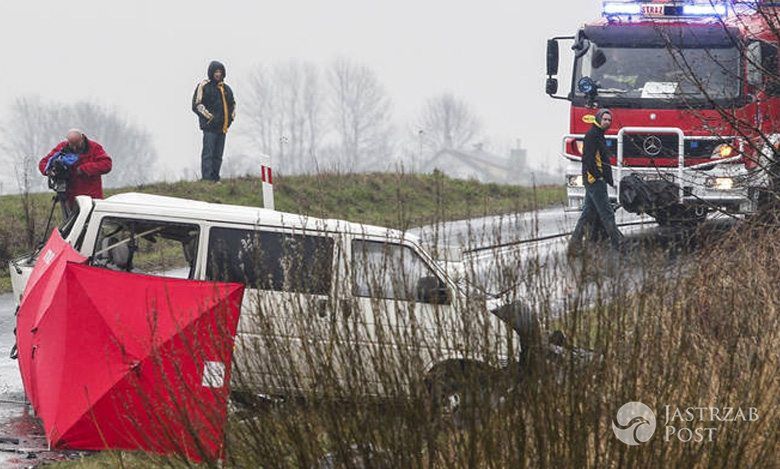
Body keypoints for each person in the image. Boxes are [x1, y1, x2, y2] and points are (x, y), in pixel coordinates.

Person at [568, 109, 623, 254]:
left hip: (595, 179)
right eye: (605, 119)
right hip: (594, 180)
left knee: (588, 213)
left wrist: (609, 179)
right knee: (607, 213)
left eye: (609, 120)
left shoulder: (598, 134)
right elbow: (588, 159)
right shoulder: (592, 136)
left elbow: (603, 159)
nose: (607, 122)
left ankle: (574, 245)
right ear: (598, 119)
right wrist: (598, 176)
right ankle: (618, 246)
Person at [38, 129, 113, 206]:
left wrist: (83, 169)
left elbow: (107, 164)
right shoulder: (62, 148)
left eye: (77, 144)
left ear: (82, 138)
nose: (74, 148)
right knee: (71, 218)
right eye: (72, 144)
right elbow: (43, 163)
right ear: (68, 141)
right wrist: (49, 171)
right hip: (70, 198)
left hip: (91, 198)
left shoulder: (94, 148)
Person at [192, 60, 236, 182]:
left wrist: (229, 120)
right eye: (216, 71)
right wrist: (210, 118)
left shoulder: (227, 89)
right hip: (209, 128)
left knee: (218, 155)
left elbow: (233, 105)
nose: (218, 74)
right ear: (211, 72)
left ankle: (216, 177)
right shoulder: (203, 86)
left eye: (220, 72)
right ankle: (206, 178)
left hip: (223, 128)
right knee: (208, 153)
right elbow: (197, 104)